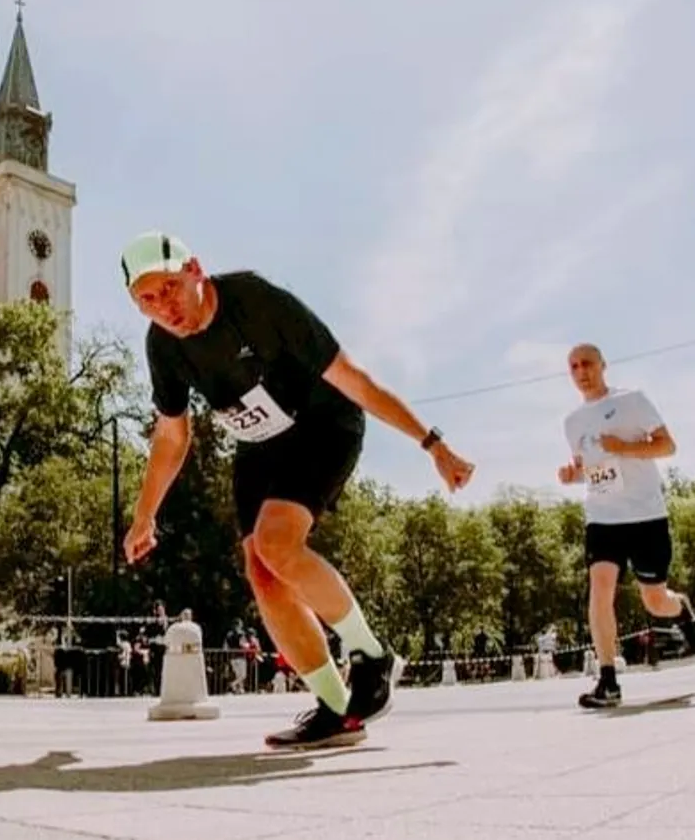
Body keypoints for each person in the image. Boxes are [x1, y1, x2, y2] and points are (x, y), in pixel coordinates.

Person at [118, 231, 474, 749]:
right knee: (262, 573)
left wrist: (432, 444)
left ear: (195, 269)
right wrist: (144, 515)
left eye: (170, 288)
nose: (163, 308)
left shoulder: (257, 302)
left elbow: (354, 379)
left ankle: (372, 656)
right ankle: (336, 709)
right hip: (258, 447)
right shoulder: (163, 347)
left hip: (322, 425)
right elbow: (173, 436)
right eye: (145, 300)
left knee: (278, 541)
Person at [555, 343, 695, 709]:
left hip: (645, 513)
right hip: (603, 516)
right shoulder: (572, 422)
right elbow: (589, 467)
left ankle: (681, 610)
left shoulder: (632, 401)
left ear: (603, 365)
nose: (581, 371)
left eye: (587, 363)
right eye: (573, 366)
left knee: (654, 600)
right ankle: (608, 680)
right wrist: (573, 474)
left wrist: (622, 446)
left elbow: (667, 446)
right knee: (599, 588)